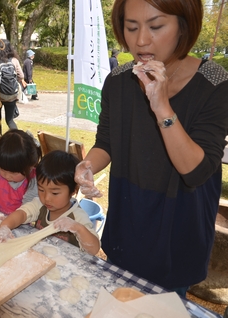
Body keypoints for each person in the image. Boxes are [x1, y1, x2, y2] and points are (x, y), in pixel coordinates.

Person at [75, 0, 228, 297]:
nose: (141, 40)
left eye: (156, 26)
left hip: (178, 234)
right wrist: (87, 166)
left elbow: (196, 171)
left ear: (183, 26)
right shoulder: (118, 80)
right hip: (127, 226)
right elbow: (106, 141)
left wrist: (161, 106)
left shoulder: (214, 83)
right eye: (131, 27)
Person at [0, 151, 100, 256]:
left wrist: (77, 228)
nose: (46, 198)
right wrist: (4, 227)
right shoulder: (40, 204)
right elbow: (21, 214)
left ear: (74, 190)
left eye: (55, 193)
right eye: (41, 190)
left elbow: (94, 249)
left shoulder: (77, 216)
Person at [0, 130, 40, 226]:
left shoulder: (33, 180)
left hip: (18, 223)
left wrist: (8, 222)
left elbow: (27, 209)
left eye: (13, 173)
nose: (7, 176)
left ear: (30, 167)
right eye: (2, 170)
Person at [0, 39, 24, 130]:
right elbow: (21, 75)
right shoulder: (14, 60)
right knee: (10, 120)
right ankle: (16, 138)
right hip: (12, 95)